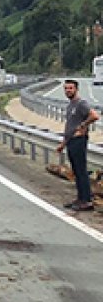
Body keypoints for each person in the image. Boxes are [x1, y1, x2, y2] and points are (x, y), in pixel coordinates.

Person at [56, 79, 98, 212]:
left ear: (76, 89)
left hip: (79, 140)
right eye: (66, 88)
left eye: (70, 88)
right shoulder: (70, 106)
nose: (68, 91)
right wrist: (63, 143)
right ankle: (80, 198)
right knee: (76, 171)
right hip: (71, 141)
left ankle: (87, 200)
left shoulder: (81, 104)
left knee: (81, 171)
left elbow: (94, 116)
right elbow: (69, 127)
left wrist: (83, 126)